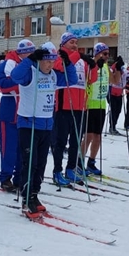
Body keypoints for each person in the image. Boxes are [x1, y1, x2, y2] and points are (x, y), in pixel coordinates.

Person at [10, 42, 77, 216]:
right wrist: (31, 59)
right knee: (29, 163)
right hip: (29, 125)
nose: (49, 64)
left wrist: (68, 62)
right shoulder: (29, 74)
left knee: (41, 164)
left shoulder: (54, 75)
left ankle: (34, 195)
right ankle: (26, 199)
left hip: (46, 125)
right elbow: (15, 76)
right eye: (46, 60)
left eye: (52, 60)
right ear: (39, 60)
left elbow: (73, 80)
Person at [51, 32, 98, 186]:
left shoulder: (80, 59)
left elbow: (92, 79)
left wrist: (94, 65)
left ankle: (70, 168)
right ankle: (57, 171)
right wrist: (77, 56)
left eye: (76, 42)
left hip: (80, 106)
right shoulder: (60, 56)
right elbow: (59, 67)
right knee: (61, 141)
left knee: (75, 141)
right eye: (71, 42)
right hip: (64, 105)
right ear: (64, 43)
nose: (75, 44)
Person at [0, 39, 35, 192]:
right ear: (21, 52)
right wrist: (23, 82)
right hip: (10, 111)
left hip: (25, 112)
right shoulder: (9, 62)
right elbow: (3, 85)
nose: (31, 55)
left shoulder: (33, 64)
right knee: (9, 148)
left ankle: (19, 177)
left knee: (23, 148)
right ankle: (5, 178)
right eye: (29, 52)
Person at [80, 43, 121, 175]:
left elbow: (114, 81)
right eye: (104, 54)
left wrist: (118, 69)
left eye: (108, 54)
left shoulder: (105, 67)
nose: (106, 56)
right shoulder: (90, 65)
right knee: (89, 136)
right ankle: (79, 162)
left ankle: (91, 162)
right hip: (90, 104)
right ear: (97, 53)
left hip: (101, 104)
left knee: (97, 136)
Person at [107, 56, 125, 135]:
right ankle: (112, 127)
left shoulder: (122, 68)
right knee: (114, 110)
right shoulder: (113, 67)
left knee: (118, 110)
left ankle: (114, 126)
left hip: (119, 92)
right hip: (111, 92)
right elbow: (110, 76)